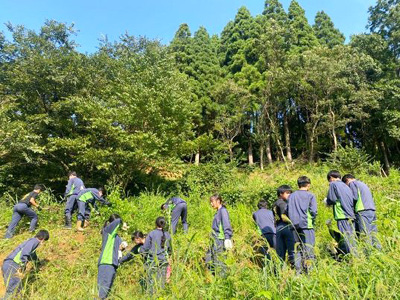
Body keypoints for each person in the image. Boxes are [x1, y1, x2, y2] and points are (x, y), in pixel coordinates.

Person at [2, 230, 49, 299]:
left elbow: (33, 256)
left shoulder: (31, 242)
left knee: (14, 289)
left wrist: (38, 264)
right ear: (43, 239)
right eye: (44, 241)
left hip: (9, 265)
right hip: (12, 265)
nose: (43, 243)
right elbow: (25, 253)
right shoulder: (35, 241)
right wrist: (22, 266)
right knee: (14, 289)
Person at [342, 174, 381, 250]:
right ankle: (378, 251)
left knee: (364, 233)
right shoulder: (363, 184)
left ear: (347, 181)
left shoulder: (352, 184)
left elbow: (354, 197)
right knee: (373, 232)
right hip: (371, 210)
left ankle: (367, 253)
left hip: (362, 210)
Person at [287, 176, 317, 274]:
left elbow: (287, 210)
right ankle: (309, 271)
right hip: (306, 225)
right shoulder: (310, 195)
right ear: (308, 185)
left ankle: (298, 272)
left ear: (298, 185)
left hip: (293, 226)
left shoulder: (291, 196)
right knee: (308, 248)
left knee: (297, 248)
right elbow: (313, 211)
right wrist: (313, 219)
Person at [325, 170, 357, 255]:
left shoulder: (333, 184)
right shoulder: (346, 185)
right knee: (351, 236)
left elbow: (331, 199)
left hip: (342, 214)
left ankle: (351, 257)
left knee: (345, 237)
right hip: (351, 214)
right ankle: (356, 255)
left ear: (331, 178)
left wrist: (326, 202)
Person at [140, 217, 171, 295]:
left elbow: (145, 248)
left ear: (156, 223)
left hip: (152, 261)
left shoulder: (152, 233)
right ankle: (160, 296)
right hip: (163, 261)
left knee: (151, 281)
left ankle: (151, 296)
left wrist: (142, 253)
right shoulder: (167, 234)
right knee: (161, 281)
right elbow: (170, 249)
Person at [205, 194, 233, 277]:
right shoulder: (218, 212)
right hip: (214, 238)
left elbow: (226, 224)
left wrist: (227, 237)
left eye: (212, 202)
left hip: (220, 239)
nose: (211, 204)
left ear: (218, 201)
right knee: (210, 258)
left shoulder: (223, 211)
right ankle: (213, 277)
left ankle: (222, 278)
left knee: (219, 260)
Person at [97, 214, 122, 300]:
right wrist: (122, 221)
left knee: (106, 292)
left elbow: (119, 248)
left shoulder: (116, 236)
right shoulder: (107, 231)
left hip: (112, 264)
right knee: (102, 292)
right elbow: (117, 221)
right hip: (106, 263)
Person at [273, 185, 295, 267]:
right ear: (281, 194)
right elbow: (284, 216)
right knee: (292, 249)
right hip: (286, 226)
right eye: (288, 193)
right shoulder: (282, 203)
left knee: (280, 251)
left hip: (278, 227)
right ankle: (295, 268)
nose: (289, 195)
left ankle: (280, 271)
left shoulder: (274, 203)